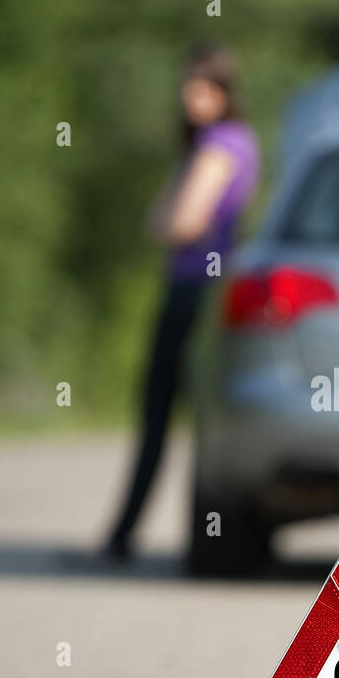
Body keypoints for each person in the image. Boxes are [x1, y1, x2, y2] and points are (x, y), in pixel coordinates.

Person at [103, 44, 260, 560]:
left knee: (159, 412)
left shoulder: (218, 145)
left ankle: (126, 535)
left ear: (223, 91)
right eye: (189, 85)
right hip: (212, 292)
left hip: (192, 291)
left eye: (203, 87)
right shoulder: (230, 143)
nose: (192, 97)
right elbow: (162, 219)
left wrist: (170, 219)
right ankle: (189, 537)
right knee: (203, 416)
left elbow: (179, 222)